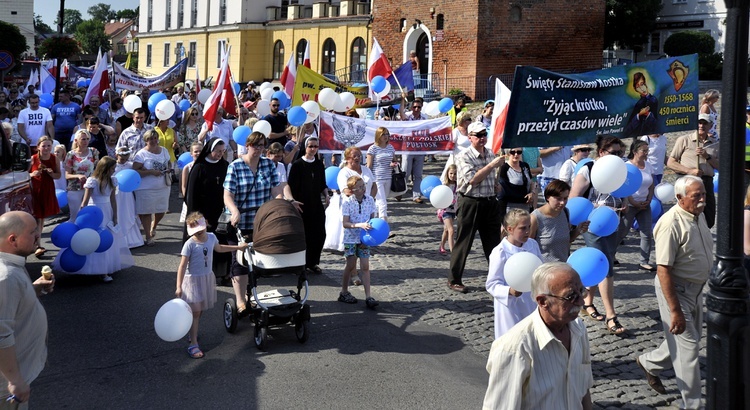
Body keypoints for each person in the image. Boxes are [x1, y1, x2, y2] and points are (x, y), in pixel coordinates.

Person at [636, 175, 712, 410]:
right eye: (696, 196)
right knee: (689, 351)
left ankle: (649, 362)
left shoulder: (697, 215)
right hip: (676, 292)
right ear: (679, 198)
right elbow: (663, 270)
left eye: (703, 194)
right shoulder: (671, 223)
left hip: (696, 290)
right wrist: (675, 310)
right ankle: (692, 404)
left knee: (684, 341)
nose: (702, 200)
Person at [483, 262, 593, 410]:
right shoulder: (514, 348)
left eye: (581, 291)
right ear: (543, 301)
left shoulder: (578, 329)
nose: (581, 301)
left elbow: (583, 389)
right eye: (571, 296)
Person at [223, 131, 295, 317]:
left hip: (262, 222)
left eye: (262, 145)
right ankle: (240, 300)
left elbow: (276, 189)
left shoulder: (267, 165)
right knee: (240, 261)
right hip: (240, 221)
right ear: (247, 145)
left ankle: (253, 294)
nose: (259, 149)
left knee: (258, 262)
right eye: (256, 145)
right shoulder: (236, 166)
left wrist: (281, 203)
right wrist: (235, 210)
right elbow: (227, 194)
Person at [570, 135, 626, 333]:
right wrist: (596, 207)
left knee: (601, 260)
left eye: (621, 152)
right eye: (614, 152)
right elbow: (573, 199)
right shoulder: (589, 169)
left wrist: (623, 203)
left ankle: (587, 302)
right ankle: (611, 316)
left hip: (613, 221)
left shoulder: (620, 168)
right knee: (605, 264)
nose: (619, 156)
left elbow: (622, 191)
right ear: (601, 152)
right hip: (593, 223)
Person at [0, 211, 54, 406]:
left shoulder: (10, 263)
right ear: (13, 239)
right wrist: (15, 381)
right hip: (7, 387)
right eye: (33, 233)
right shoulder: (5, 277)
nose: (39, 236)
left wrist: (33, 289)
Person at [177, 212, 247, 359]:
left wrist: (237, 248)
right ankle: (193, 344)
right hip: (192, 281)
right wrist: (178, 286)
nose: (199, 234)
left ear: (206, 224)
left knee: (199, 311)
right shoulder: (189, 244)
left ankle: (192, 332)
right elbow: (182, 266)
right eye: (195, 232)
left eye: (201, 230)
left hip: (206, 278)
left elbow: (219, 248)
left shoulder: (211, 237)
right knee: (195, 312)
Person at [448, 122, 505, 293]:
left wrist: (496, 185)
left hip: (489, 201)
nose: (482, 138)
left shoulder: (490, 153)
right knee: (464, 241)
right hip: (470, 202)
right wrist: (491, 166)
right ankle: (454, 279)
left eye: (484, 134)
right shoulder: (464, 156)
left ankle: (498, 277)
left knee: (494, 244)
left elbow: (490, 177)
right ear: (470, 137)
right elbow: (472, 179)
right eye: (478, 135)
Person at [67, 157, 134, 282]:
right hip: (94, 212)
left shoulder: (112, 180)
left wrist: (115, 216)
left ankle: (105, 268)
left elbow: (113, 200)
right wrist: (81, 217)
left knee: (107, 238)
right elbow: (85, 201)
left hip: (107, 210)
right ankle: (93, 267)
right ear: (105, 168)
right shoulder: (92, 181)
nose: (114, 171)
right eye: (112, 168)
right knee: (93, 237)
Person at [486, 209, 543, 339]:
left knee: (531, 336)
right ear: (510, 229)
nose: (528, 231)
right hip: (511, 305)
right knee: (513, 339)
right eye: (523, 228)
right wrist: (509, 291)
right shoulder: (500, 252)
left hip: (531, 300)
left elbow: (539, 267)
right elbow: (492, 283)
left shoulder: (532, 245)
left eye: (529, 227)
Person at [667, 113, 719, 229]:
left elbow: (721, 166)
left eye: (705, 123)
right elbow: (671, 162)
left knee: (709, 217)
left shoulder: (715, 144)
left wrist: (707, 157)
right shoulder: (684, 140)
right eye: (699, 123)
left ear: (710, 125)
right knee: (687, 214)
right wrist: (689, 171)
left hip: (706, 182)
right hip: (687, 182)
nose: (701, 125)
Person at [288, 136, 329, 274]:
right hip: (301, 205)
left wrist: (327, 195)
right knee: (303, 235)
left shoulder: (318, 164)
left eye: (315, 147)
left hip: (316, 204)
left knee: (319, 234)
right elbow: (291, 187)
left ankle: (313, 262)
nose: (313, 149)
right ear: (305, 148)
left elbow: (322, 184)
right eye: (310, 146)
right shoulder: (298, 165)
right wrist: (293, 202)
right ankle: (300, 264)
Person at [340, 175, 379, 308]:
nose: (364, 188)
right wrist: (359, 225)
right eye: (360, 187)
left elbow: (373, 219)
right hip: (351, 238)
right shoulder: (347, 202)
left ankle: (368, 296)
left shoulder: (370, 200)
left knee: (365, 266)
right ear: (353, 190)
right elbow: (345, 223)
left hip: (364, 238)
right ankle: (344, 291)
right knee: (350, 265)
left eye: (363, 186)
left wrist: (367, 237)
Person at [617, 140, 656, 272]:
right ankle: (610, 255)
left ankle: (644, 261)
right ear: (635, 152)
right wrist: (633, 202)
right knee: (622, 231)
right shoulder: (627, 166)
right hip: (630, 204)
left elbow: (651, 185)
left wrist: (649, 199)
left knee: (646, 233)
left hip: (645, 204)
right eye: (643, 151)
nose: (646, 153)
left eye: (647, 150)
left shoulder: (648, 166)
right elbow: (624, 186)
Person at [530, 179, 587, 263]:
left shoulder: (565, 212)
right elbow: (528, 247)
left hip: (563, 268)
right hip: (544, 270)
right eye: (558, 198)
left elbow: (566, 240)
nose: (562, 203)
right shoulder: (535, 218)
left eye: (565, 198)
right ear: (547, 197)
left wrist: (578, 230)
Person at [132, 129, 172, 246]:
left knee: (161, 209)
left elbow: (168, 163)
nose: (154, 141)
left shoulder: (164, 150)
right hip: (146, 188)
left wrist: (169, 169)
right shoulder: (141, 154)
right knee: (146, 212)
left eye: (155, 138)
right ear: (146, 140)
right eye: (150, 139)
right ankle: (148, 237)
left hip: (163, 186)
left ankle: (154, 226)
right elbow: (135, 171)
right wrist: (150, 172)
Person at [28, 136, 61, 258]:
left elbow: (58, 176)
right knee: (37, 218)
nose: (46, 148)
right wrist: (32, 174)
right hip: (35, 191)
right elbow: (25, 175)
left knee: (41, 218)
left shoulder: (54, 158)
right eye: (43, 146)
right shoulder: (33, 159)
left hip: (47, 190)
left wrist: (52, 173)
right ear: (38, 147)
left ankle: (37, 244)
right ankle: (37, 244)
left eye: (48, 146)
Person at [65, 130, 100, 221]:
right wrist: (77, 176)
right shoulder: (71, 154)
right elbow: (67, 175)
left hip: (91, 187)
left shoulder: (93, 151)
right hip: (75, 187)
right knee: (75, 215)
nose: (86, 141)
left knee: (90, 214)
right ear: (76, 141)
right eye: (83, 139)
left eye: (87, 139)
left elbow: (98, 169)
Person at [398, 96, 427, 203]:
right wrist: (402, 99)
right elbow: (401, 114)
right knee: (405, 172)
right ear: (411, 108)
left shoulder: (424, 118)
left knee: (418, 174)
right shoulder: (408, 117)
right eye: (414, 107)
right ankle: (400, 192)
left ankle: (416, 195)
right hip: (408, 149)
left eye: (418, 107)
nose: (416, 109)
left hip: (420, 149)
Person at [114, 147, 144, 249]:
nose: (124, 159)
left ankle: (132, 239)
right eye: (121, 157)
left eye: (126, 157)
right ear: (117, 155)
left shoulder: (131, 166)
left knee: (129, 212)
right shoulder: (113, 166)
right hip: (116, 193)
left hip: (128, 194)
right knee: (118, 212)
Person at [497, 147, 536, 225]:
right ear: (508, 153)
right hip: (510, 205)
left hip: (526, 205)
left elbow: (531, 182)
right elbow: (504, 189)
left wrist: (532, 192)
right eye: (513, 152)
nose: (516, 154)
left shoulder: (525, 166)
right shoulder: (504, 168)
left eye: (519, 152)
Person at [366, 127, 397, 221]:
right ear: (378, 135)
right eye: (383, 134)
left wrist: (394, 164)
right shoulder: (372, 148)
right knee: (383, 202)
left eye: (387, 134)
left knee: (379, 202)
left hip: (388, 177)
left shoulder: (390, 147)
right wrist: (369, 179)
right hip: (377, 178)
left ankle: (373, 219)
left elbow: (395, 160)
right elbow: (369, 166)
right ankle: (384, 225)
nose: (386, 136)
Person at [624, 71, 659, 138]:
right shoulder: (638, 104)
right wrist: (639, 114)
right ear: (636, 89)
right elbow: (629, 127)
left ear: (646, 84)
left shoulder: (654, 100)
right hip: (639, 135)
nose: (641, 89)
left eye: (642, 84)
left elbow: (658, 123)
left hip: (651, 135)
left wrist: (648, 114)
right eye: (638, 87)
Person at [438, 164, 457, 254]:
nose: (453, 176)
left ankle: (441, 245)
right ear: (447, 174)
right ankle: (453, 251)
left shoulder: (459, 185)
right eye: (451, 173)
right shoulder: (445, 185)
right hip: (445, 210)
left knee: (446, 229)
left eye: (455, 174)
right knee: (451, 230)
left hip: (454, 210)